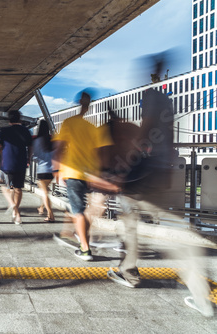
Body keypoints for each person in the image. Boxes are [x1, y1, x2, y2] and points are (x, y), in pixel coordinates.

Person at [106, 59, 213, 316]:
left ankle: (129, 273)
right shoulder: (169, 103)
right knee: (175, 230)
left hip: (142, 176)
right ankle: (201, 295)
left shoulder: (151, 97)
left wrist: (122, 168)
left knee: (130, 222)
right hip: (162, 173)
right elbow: (169, 138)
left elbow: (144, 131)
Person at [52, 91, 115, 260]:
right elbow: (103, 152)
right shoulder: (93, 128)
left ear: (79, 101)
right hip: (91, 174)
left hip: (73, 172)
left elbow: (59, 148)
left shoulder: (69, 123)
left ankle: (85, 249)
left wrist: (57, 169)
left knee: (78, 211)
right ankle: (82, 238)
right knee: (84, 210)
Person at [0, 110, 32, 224]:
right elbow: (30, 146)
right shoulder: (26, 131)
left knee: (5, 187)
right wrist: (29, 158)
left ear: (8, 120)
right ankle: (16, 212)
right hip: (21, 162)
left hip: (7, 163)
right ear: (20, 119)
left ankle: (13, 206)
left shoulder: (4, 131)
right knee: (18, 188)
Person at [32, 119, 55, 223]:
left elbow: (35, 157)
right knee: (45, 191)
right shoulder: (52, 140)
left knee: (45, 193)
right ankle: (41, 207)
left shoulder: (37, 141)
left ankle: (50, 215)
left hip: (42, 170)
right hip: (51, 171)